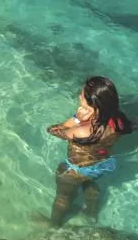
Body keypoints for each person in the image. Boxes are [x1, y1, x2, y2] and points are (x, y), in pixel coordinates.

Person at [46, 76, 133, 226]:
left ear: (92, 103)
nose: (79, 96)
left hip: (75, 170)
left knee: (63, 197)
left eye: (82, 95)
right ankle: (91, 214)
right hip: (100, 165)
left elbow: (53, 130)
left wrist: (76, 119)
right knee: (89, 183)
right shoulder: (118, 120)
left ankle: (53, 226)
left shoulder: (83, 130)